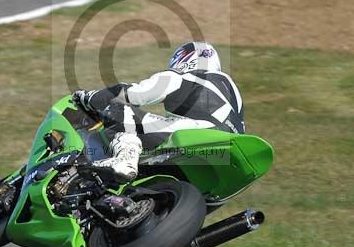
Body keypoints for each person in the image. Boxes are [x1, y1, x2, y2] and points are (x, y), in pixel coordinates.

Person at [73, 41, 245, 181]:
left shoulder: (185, 76)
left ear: (184, 59)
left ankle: (125, 159)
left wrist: (90, 97)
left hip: (199, 134)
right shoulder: (232, 91)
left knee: (118, 106)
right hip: (229, 152)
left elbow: (135, 94)